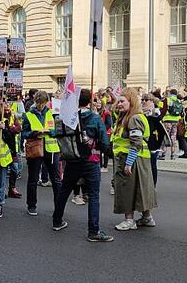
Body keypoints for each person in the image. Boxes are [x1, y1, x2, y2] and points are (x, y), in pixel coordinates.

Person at [52, 89, 113, 241]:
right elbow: (104, 143)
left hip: (71, 159)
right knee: (93, 195)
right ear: (89, 101)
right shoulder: (94, 118)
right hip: (90, 161)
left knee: (65, 190)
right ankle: (93, 231)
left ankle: (57, 220)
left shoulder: (66, 118)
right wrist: (110, 154)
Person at [112, 88, 157, 231]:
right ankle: (147, 217)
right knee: (141, 189)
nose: (118, 104)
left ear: (131, 102)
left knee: (127, 190)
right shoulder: (132, 117)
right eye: (118, 101)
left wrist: (128, 163)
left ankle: (129, 220)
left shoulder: (133, 118)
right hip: (140, 159)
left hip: (131, 159)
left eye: (122, 101)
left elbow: (136, 142)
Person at [22, 90, 62, 216]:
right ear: (35, 101)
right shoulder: (28, 115)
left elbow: (59, 131)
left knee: (56, 179)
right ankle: (31, 205)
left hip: (51, 150)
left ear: (47, 102)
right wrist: (33, 133)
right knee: (33, 178)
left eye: (42, 103)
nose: (40, 106)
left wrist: (51, 132)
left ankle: (59, 206)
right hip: (35, 148)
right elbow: (23, 133)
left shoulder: (53, 114)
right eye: (38, 103)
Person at [161, 89, 183, 160]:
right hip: (176, 121)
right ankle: (173, 154)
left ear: (170, 93)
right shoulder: (179, 101)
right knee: (173, 137)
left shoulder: (167, 100)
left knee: (165, 136)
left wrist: (161, 118)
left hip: (167, 120)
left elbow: (164, 110)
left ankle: (163, 153)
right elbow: (181, 111)